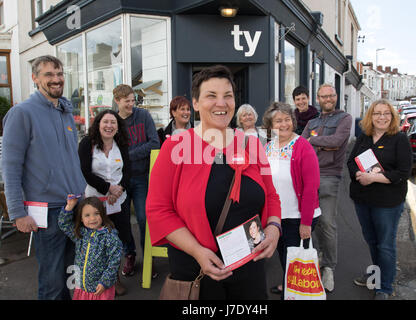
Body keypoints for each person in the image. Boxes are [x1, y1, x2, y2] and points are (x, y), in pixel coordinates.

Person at [146, 65, 282, 299]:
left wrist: (274, 227)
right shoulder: (175, 148)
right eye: (211, 96)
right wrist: (197, 251)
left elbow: (271, 195)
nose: (221, 103)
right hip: (196, 267)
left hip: (249, 265)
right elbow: (158, 210)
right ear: (196, 104)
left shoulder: (251, 145)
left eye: (227, 96)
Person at [1, 55, 86, 300]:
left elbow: (70, 160)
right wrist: (17, 212)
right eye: (48, 75)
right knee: (52, 283)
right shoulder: (21, 113)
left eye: (59, 74)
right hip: (48, 212)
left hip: (74, 208)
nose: (56, 79)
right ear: (35, 78)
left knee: (71, 277)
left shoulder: (65, 112)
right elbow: (11, 167)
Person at [347, 99, 412, 300]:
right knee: (372, 241)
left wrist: (372, 178)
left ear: (392, 117)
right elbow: (351, 162)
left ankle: (384, 287)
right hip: (363, 200)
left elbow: (403, 172)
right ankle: (375, 276)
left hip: (387, 203)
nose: (381, 117)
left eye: (386, 113)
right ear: (370, 116)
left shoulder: (399, 139)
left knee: (385, 244)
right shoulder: (364, 137)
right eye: (377, 113)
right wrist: (359, 175)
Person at [263, 102, 321, 297]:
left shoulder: (303, 147)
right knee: (284, 256)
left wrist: (305, 223)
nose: (284, 124)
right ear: (270, 125)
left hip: (297, 217)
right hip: (276, 217)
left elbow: (312, 188)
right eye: (278, 120)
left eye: (287, 119)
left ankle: (293, 291)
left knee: (294, 259)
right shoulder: (268, 148)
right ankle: (288, 285)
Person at [301, 83, 352, 292]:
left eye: (331, 96)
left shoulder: (344, 118)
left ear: (336, 97)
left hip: (329, 175)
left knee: (327, 223)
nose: (328, 99)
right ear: (318, 99)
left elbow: (338, 141)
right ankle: (315, 259)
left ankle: (329, 267)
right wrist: (320, 143)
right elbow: (302, 143)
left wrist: (314, 140)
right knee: (309, 222)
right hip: (306, 176)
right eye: (323, 97)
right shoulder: (313, 121)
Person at [78, 109, 131, 296]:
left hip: (118, 200)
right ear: (98, 124)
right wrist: (108, 188)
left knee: (117, 239)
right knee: (96, 241)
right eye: (105, 122)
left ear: (118, 126)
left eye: (113, 122)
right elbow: (85, 171)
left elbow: (128, 170)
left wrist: (120, 189)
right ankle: (94, 279)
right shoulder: (87, 143)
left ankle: (114, 279)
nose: (109, 126)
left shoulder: (121, 144)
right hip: (95, 202)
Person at [114, 84, 160, 277]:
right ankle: (130, 255)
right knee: (122, 221)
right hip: (119, 180)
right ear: (117, 101)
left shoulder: (143, 116)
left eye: (133, 100)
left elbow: (154, 143)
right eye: (127, 102)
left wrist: (127, 156)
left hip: (141, 176)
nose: (131, 105)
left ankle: (148, 257)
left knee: (143, 218)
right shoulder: (112, 121)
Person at [58, 196, 122, 300]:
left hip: (100, 289)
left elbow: (114, 262)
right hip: (81, 287)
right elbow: (64, 224)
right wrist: (69, 206)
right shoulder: (80, 234)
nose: (92, 218)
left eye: (96, 213)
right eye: (87, 215)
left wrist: (105, 282)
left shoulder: (110, 237)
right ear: (81, 219)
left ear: (102, 214)